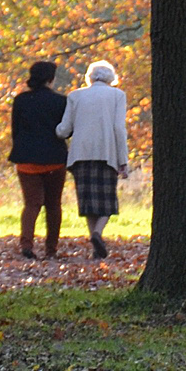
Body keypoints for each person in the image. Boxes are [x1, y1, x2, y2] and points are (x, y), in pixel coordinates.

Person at [56, 60, 129, 258]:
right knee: (107, 201)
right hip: (107, 154)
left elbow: (64, 130)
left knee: (88, 201)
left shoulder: (75, 96)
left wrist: (54, 130)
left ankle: (94, 240)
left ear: (89, 76)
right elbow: (118, 129)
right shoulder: (117, 95)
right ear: (111, 78)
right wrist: (123, 159)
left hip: (80, 155)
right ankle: (97, 234)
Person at [8, 60, 68, 260]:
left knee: (31, 204)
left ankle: (27, 245)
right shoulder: (61, 101)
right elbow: (66, 131)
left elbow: (15, 130)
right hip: (55, 160)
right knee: (53, 205)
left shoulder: (21, 100)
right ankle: (51, 249)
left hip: (26, 160)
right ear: (50, 79)